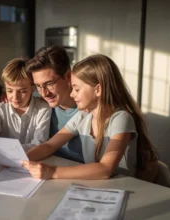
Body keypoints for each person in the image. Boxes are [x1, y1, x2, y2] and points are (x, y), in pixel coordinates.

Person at [22, 54, 159, 182]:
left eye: (76, 89)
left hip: (121, 187)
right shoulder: (83, 116)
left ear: (98, 90)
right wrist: (21, 161)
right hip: (95, 186)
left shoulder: (121, 119)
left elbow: (105, 169)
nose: (72, 95)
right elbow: (49, 145)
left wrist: (52, 172)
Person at [0, 58, 51, 164]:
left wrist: (3, 150)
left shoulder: (43, 109)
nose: (15, 97)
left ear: (33, 88)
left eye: (22, 91)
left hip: (32, 164)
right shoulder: (1, 109)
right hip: (3, 166)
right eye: (10, 90)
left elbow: (39, 144)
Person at [25, 46, 83, 163]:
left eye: (49, 83)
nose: (44, 93)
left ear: (68, 76)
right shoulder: (41, 106)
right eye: (38, 86)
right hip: (48, 169)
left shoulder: (88, 109)